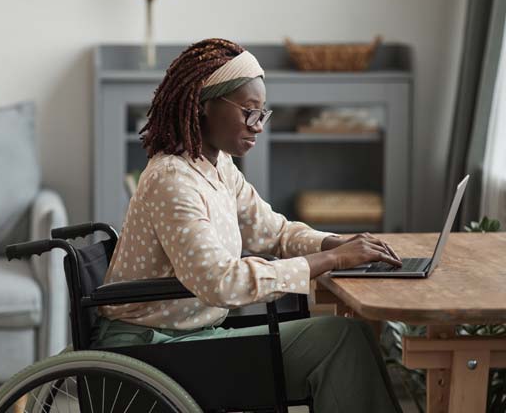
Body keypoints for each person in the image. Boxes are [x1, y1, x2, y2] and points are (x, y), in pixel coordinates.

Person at [91, 38, 404, 412]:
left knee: (345, 337)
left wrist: (337, 243)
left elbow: (275, 231)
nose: (258, 126)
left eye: (263, 114)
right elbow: (220, 283)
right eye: (249, 112)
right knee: (338, 340)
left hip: (194, 337)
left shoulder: (219, 167)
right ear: (203, 105)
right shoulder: (171, 179)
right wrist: (331, 262)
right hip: (152, 349)